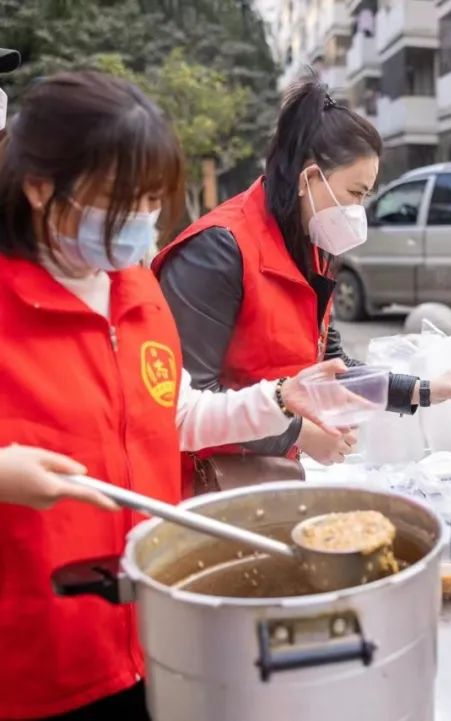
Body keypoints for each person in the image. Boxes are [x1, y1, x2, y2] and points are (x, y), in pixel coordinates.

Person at [0, 71, 362, 720]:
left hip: (151, 624)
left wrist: (280, 396)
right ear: (37, 186)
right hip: (35, 657)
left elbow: (176, 415)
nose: (137, 221)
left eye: (148, 202)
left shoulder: (133, 288)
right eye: (116, 199)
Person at [153, 78, 451, 486]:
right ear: (309, 179)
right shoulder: (218, 250)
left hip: (267, 479)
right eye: (355, 193)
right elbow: (182, 399)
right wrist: (299, 434)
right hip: (204, 486)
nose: (359, 210)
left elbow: (332, 366)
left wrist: (422, 389)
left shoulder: (311, 246)